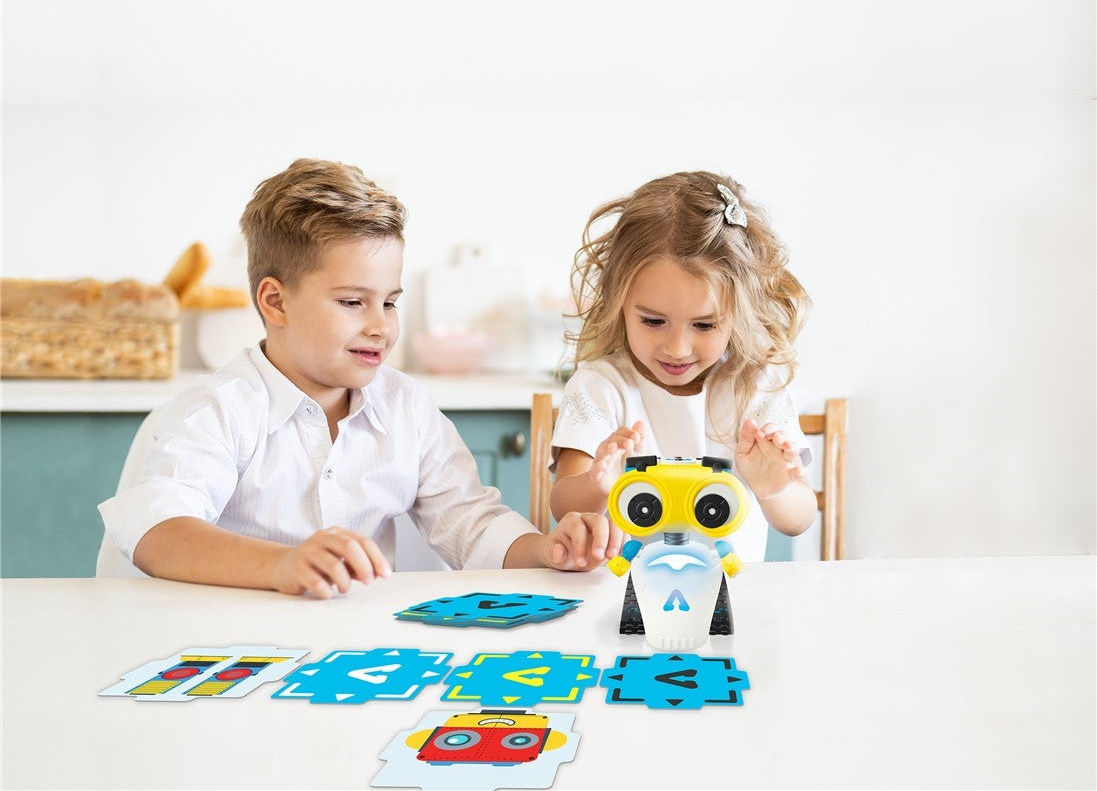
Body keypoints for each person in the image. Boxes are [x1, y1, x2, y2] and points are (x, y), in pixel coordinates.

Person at [99, 158, 619, 598]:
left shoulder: (408, 408)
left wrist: (547, 551)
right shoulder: (220, 408)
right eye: (352, 302)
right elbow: (158, 530)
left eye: (389, 302)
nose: (380, 326)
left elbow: (473, 525)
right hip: (236, 649)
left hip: (358, 653)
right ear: (275, 302)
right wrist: (281, 566)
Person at [549, 171, 816, 562]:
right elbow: (563, 505)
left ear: (738, 313)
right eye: (653, 321)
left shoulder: (756, 385)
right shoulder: (600, 387)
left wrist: (774, 489)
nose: (677, 348)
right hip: (624, 589)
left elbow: (800, 518)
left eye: (704, 325)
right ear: (619, 302)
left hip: (730, 590)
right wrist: (596, 484)